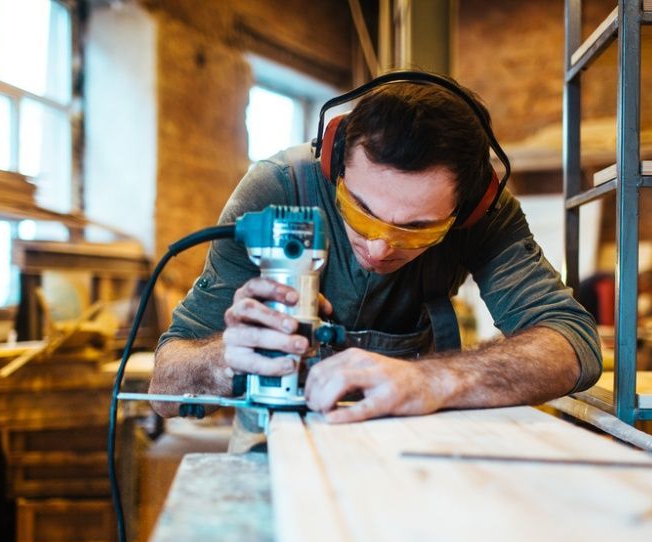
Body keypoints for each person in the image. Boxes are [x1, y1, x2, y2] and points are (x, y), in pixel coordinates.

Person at [150, 72, 602, 424]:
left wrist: (434, 379)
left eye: (416, 229)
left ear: (467, 208)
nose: (381, 246)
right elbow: (163, 390)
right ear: (335, 162)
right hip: (279, 446)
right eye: (361, 211)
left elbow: (574, 344)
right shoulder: (277, 191)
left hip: (414, 447)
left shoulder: (486, 213)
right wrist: (224, 358)